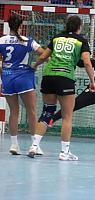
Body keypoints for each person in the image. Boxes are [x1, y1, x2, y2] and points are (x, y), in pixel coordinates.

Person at [27, 15, 95, 161]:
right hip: (65, 78)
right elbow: (87, 62)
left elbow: (44, 56)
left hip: (48, 77)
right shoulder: (81, 41)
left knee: (47, 112)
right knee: (67, 116)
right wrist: (92, 80)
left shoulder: (57, 37)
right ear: (79, 27)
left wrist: (35, 66)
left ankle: (34, 146)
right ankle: (64, 152)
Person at [0, 15, 44, 155]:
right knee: (31, 111)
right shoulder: (27, 41)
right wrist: (35, 65)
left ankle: (14, 145)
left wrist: (3, 71)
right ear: (21, 26)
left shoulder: (1, 40)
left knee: (13, 111)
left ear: (8, 25)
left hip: (7, 77)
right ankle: (34, 145)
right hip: (24, 76)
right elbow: (44, 54)